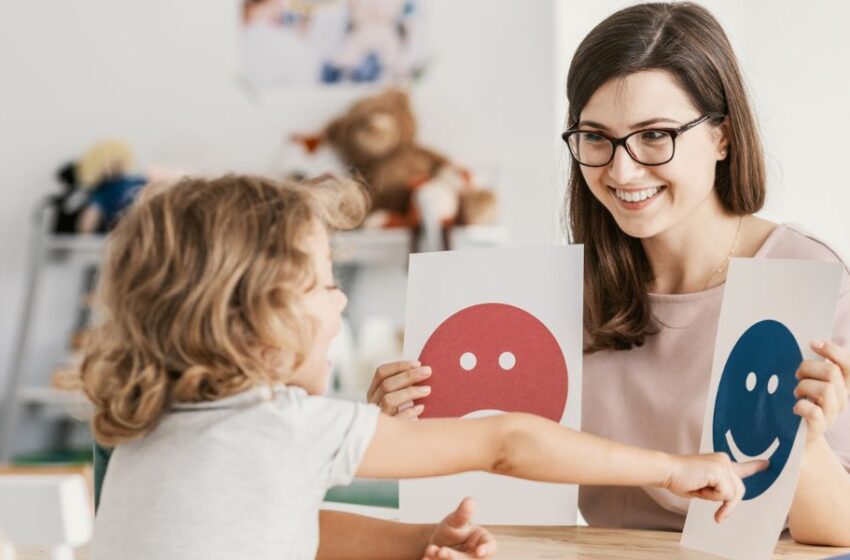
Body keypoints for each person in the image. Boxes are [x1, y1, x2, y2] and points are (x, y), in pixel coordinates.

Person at [367, 1, 850, 546]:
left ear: (723, 136)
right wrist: (400, 426)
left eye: (654, 136)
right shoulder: (556, 294)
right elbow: (499, 471)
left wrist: (802, 445)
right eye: (596, 137)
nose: (622, 171)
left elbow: (839, 531)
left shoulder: (803, 274)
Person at [82, 174, 761, 560]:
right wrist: (673, 468)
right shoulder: (286, 426)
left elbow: (289, 525)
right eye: (322, 283)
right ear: (254, 319)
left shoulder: (145, 430)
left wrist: (419, 541)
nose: (341, 298)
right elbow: (506, 441)